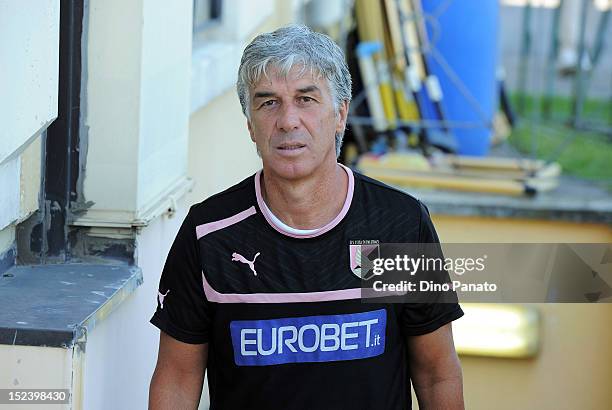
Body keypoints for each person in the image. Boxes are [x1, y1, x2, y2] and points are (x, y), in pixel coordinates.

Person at [149, 24, 464, 410]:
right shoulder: (210, 234)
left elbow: (436, 373)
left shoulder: (397, 225)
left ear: (340, 115)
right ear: (250, 125)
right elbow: (178, 378)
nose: (287, 121)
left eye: (306, 99)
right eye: (268, 103)